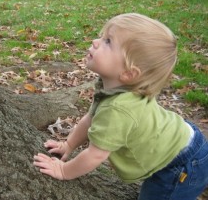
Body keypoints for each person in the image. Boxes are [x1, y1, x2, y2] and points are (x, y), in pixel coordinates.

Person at [33, 13, 208, 200]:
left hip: (180, 165)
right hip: (181, 142)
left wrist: (64, 170)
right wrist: (68, 144)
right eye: (102, 37)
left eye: (108, 41)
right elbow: (90, 119)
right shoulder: (112, 90)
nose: (95, 42)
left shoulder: (118, 109)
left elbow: (95, 155)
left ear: (128, 73)